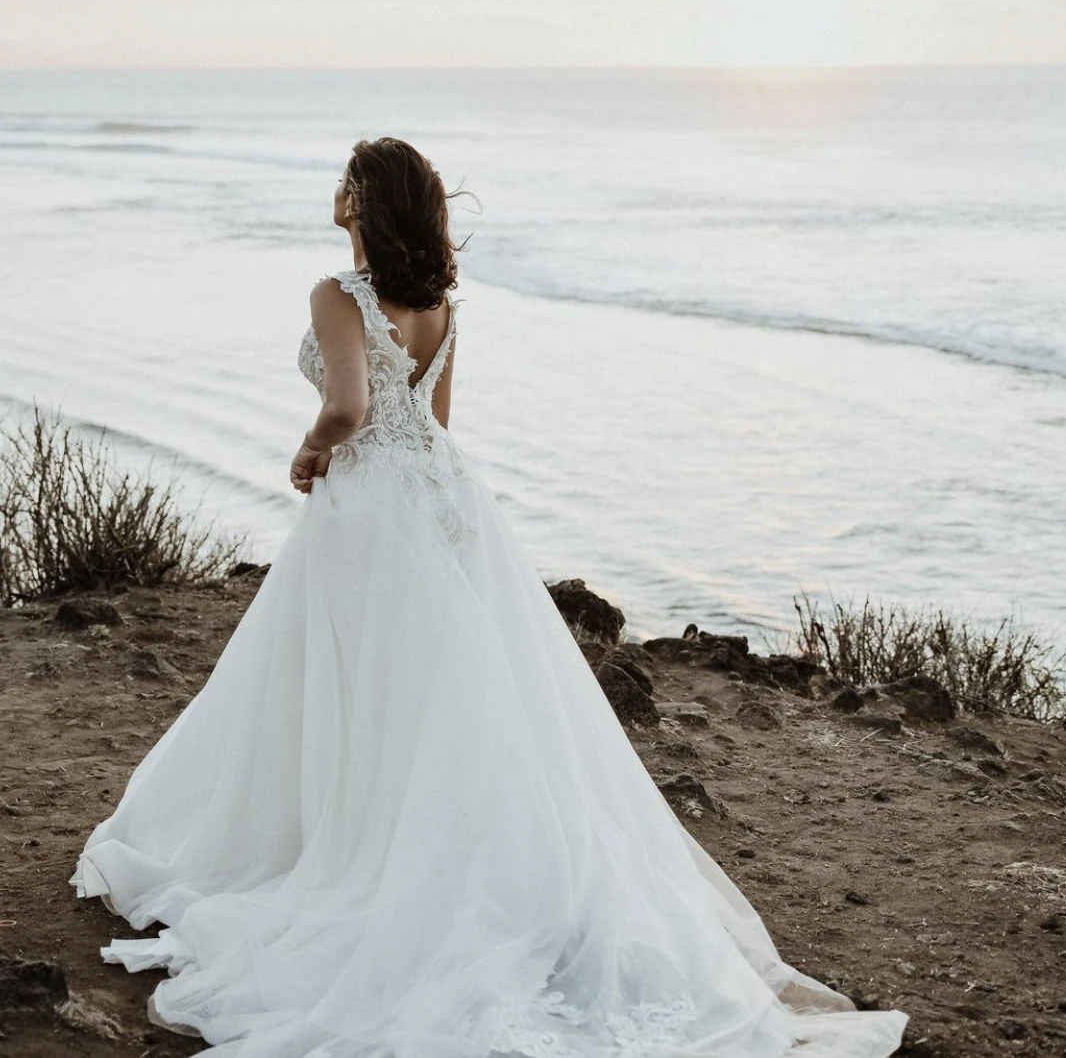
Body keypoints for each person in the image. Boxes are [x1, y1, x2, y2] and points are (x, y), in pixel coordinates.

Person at [69, 136, 909, 1058]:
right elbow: (435, 425)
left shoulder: (337, 294)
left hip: (368, 507)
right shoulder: (438, 305)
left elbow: (349, 408)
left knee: (359, 687)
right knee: (450, 696)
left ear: (361, 201)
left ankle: (353, 855)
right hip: (443, 501)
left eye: (346, 181)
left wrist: (313, 450)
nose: (335, 191)